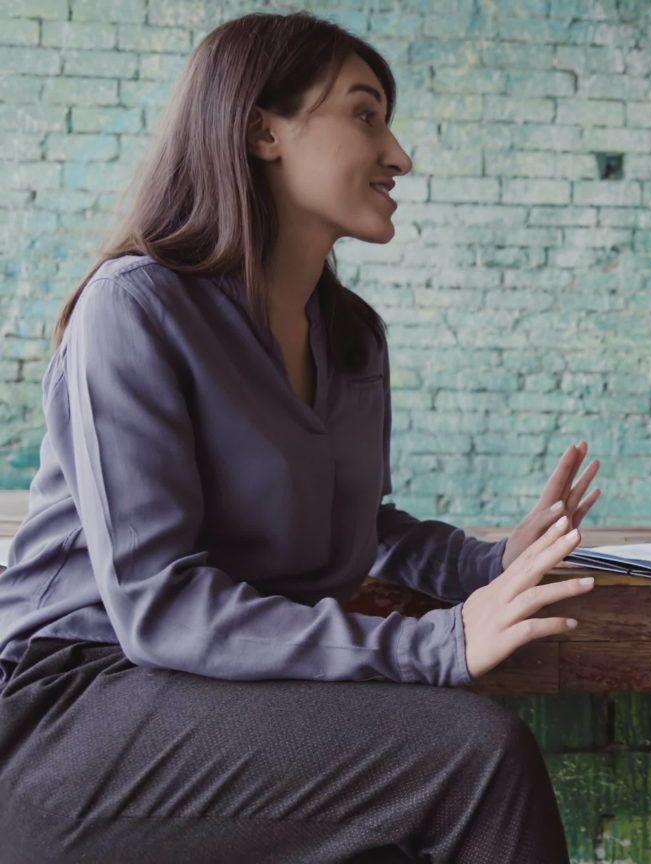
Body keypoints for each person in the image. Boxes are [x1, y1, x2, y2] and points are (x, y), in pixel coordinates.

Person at [0, 13, 599, 862]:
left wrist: (490, 565)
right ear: (260, 131)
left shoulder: (351, 337)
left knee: (434, 782)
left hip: (223, 696)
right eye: (364, 115)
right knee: (473, 757)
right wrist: (439, 642)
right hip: (80, 706)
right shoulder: (134, 307)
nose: (399, 155)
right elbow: (157, 607)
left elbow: (358, 521)